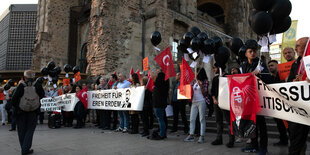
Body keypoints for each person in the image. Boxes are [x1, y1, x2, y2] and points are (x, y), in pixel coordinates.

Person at [240, 43, 272, 155]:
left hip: (259, 99)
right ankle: (253, 145)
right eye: (250, 51)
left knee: (261, 125)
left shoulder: (260, 63)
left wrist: (259, 75)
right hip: (248, 99)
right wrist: (251, 74)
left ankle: (263, 148)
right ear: (246, 53)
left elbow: (269, 79)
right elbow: (242, 79)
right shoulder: (244, 65)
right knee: (251, 124)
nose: (253, 53)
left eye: (254, 51)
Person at [12, 70, 45, 155]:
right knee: (30, 130)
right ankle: (26, 148)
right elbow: (42, 95)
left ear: (25, 77)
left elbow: (14, 99)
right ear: (33, 77)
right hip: (33, 111)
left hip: (21, 112)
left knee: (21, 130)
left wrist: (18, 107)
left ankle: (24, 147)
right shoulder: (37, 85)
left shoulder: (21, 85)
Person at [287, 37, 309, 155]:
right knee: (296, 136)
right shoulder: (296, 63)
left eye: (298, 46)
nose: (296, 48)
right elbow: (290, 81)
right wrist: (295, 81)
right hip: (299, 106)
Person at [211, 64, 235, 148]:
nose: (214, 69)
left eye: (215, 68)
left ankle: (231, 140)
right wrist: (214, 99)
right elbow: (213, 91)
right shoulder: (215, 79)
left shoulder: (228, 77)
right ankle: (219, 138)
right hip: (217, 102)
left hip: (226, 102)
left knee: (228, 121)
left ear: (219, 68)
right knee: (218, 121)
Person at [184, 68, 209, 143]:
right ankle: (191, 135)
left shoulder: (205, 81)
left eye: (197, 72)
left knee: (201, 119)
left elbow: (205, 92)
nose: (196, 74)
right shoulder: (194, 81)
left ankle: (202, 136)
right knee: (192, 119)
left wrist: (200, 85)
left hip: (201, 101)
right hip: (194, 102)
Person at [267, 60, 289, 146]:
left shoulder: (283, 76)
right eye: (269, 66)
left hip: (285, 104)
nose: (270, 67)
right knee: (280, 124)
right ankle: (283, 140)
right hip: (276, 105)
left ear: (278, 66)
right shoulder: (271, 77)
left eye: (272, 65)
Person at [152, 71, 169, 140]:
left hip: (158, 105)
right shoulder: (164, 85)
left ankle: (162, 134)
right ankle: (163, 133)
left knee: (160, 120)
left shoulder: (159, 85)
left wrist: (149, 69)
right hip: (162, 104)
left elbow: (153, 78)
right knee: (162, 119)